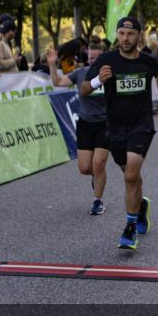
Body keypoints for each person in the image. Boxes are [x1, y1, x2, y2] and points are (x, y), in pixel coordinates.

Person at [84, 17, 158, 249]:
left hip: (141, 125)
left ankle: (130, 228)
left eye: (130, 34)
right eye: (121, 33)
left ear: (139, 36)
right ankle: (140, 206)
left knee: (131, 175)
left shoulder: (147, 61)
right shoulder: (106, 60)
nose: (125, 38)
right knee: (128, 173)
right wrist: (97, 81)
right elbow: (83, 89)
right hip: (115, 129)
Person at [48, 41, 110, 215]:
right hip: (85, 123)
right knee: (85, 168)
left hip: (105, 123)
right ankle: (97, 177)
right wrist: (52, 64)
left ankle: (98, 201)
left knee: (98, 164)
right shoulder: (81, 73)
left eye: (96, 57)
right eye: (90, 57)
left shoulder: (109, 74)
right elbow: (58, 82)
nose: (92, 60)